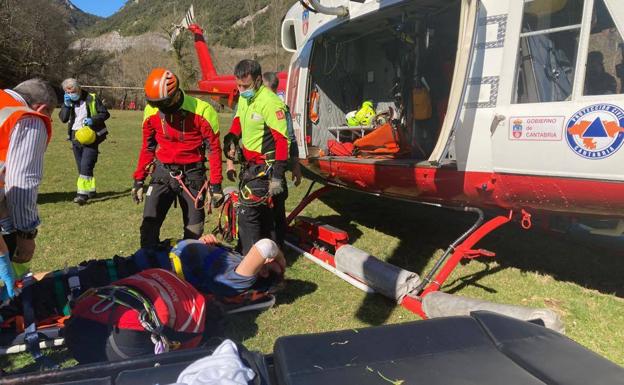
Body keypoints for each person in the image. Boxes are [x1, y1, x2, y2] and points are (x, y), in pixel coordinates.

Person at [132, 68, 223, 249]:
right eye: (155, 104)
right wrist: (138, 180)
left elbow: (214, 150)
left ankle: (188, 268)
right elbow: (148, 147)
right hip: (162, 172)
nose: (159, 108)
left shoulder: (203, 111)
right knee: (149, 224)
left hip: (192, 176)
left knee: (194, 229)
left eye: (162, 103)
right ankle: (148, 264)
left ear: (174, 96)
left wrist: (216, 185)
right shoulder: (151, 112)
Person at [224, 60, 290, 255]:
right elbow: (239, 119)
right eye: (238, 85)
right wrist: (231, 137)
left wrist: (277, 176)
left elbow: (282, 141)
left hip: (266, 170)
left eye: (245, 85)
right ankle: (257, 256)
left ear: (259, 79)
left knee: (248, 215)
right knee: (264, 219)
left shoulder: (270, 102)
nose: (241, 89)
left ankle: (254, 261)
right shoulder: (246, 98)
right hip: (250, 168)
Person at [0, 79, 56, 301]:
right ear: (42, 108)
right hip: (7, 219)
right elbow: (21, 182)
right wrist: (24, 233)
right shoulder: (29, 119)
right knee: (13, 292)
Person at [59, 78, 110, 205]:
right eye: (67, 92)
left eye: (73, 91)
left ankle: (82, 194)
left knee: (86, 165)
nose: (71, 94)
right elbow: (63, 119)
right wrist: (66, 105)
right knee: (81, 166)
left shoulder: (92, 98)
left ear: (79, 88)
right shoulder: (68, 101)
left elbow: (105, 113)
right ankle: (91, 190)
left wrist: (93, 119)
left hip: (91, 137)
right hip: (75, 137)